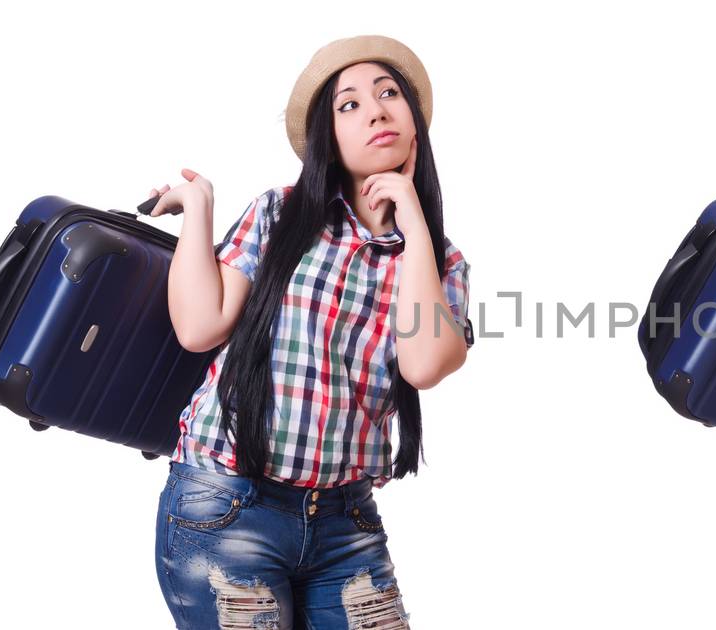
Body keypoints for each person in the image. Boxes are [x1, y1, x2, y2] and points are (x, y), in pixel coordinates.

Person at [144, 35, 470, 629]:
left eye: (388, 94)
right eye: (349, 105)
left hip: (347, 526)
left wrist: (415, 227)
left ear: (414, 129)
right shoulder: (279, 214)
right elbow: (198, 326)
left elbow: (423, 364)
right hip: (226, 507)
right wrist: (200, 205)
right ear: (329, 138)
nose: (375, 110)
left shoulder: (441, 264)